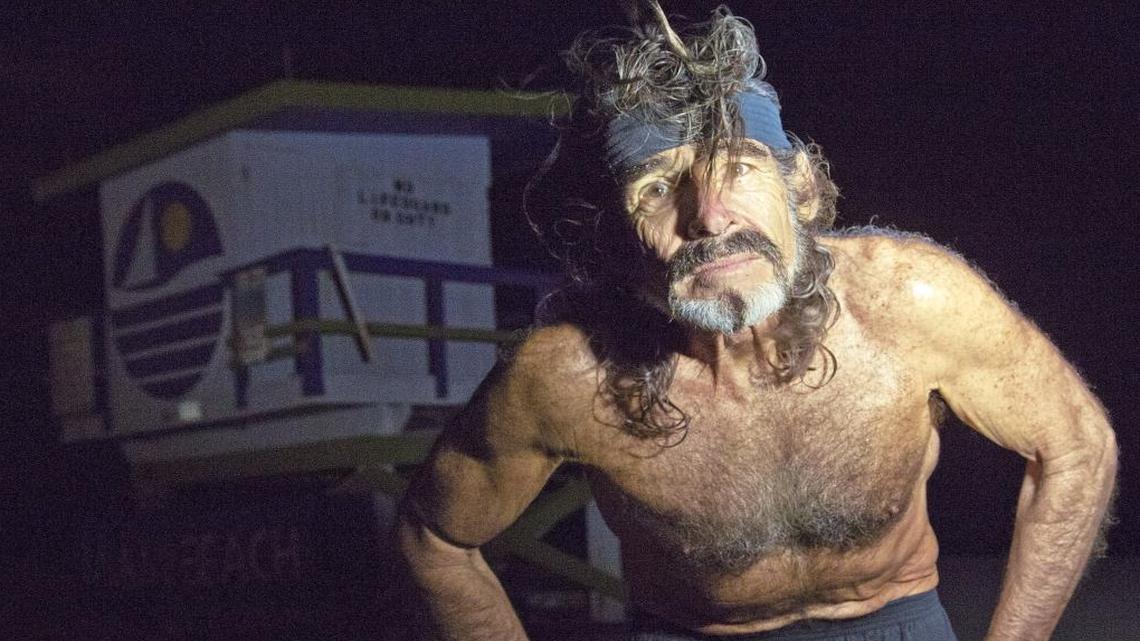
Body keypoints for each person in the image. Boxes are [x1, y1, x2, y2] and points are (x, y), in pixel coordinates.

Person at [396, 5, 1117, 641]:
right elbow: (435, 536)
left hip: (895, 618)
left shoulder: (909, 300)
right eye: (657, 189)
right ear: (617, 236)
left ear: (798, 187)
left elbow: (1076, 444)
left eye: (738, 167)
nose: (709, 217)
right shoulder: (566, 376)